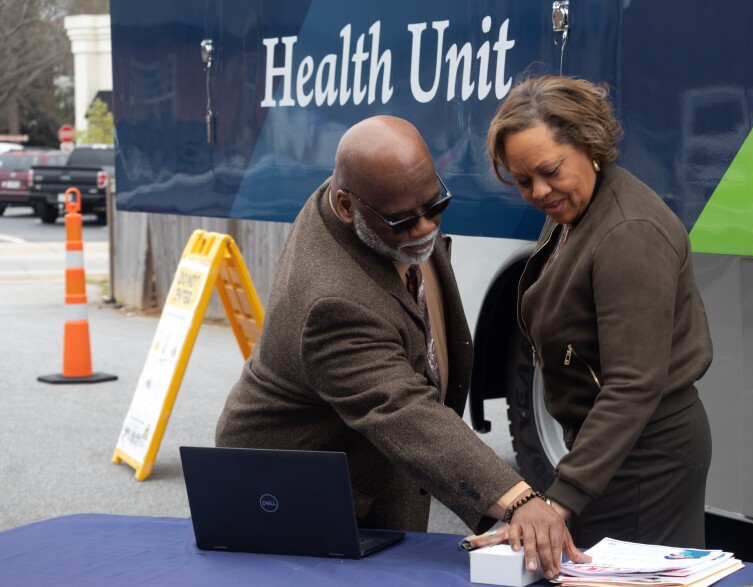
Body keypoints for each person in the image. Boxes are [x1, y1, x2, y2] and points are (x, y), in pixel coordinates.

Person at [216, 115, 588, 577]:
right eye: (403, 220)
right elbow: (402, 410)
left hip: (367, 469)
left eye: (436, 205)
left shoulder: (378, 200)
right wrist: (518, 498)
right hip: (294, 495)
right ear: (347, 206)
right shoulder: (332, 302)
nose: (424, 229)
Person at [486, 76, 714, 549]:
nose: (539, 191)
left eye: (550, 170)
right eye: (523, 180)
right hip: (617, 450)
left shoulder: (629, 231)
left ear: (589, 143)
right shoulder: (579, 205)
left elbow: (633, 384)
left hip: (646, 460)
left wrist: (559, 502)